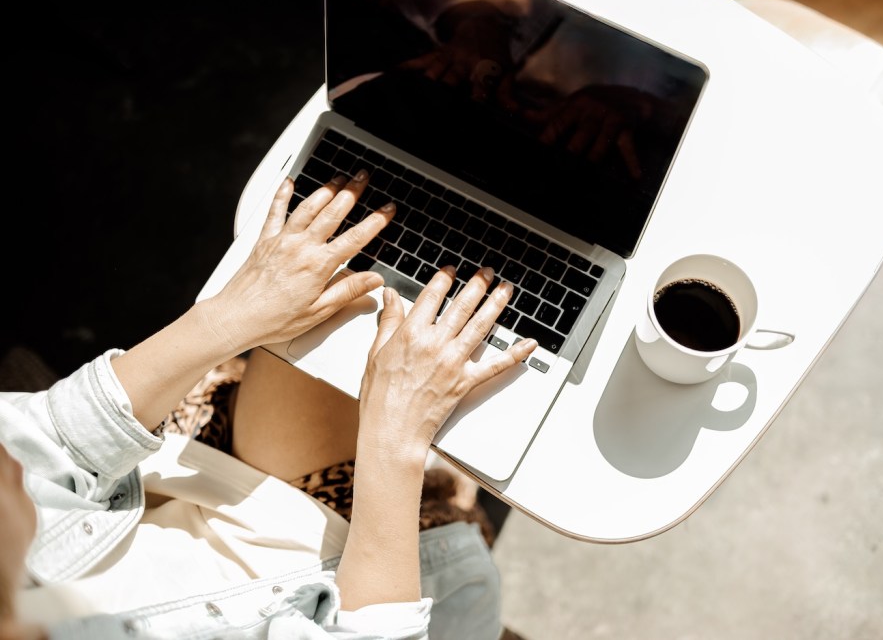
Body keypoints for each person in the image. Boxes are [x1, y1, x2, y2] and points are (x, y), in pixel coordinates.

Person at [0, 170, 537, 639]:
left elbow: (38, 441)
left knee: (358, 279)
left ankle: (442, 475)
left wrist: (230, 316)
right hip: (321, 568)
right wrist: (395, 440)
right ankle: (442, 481)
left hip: (186, 482)